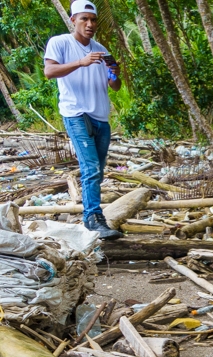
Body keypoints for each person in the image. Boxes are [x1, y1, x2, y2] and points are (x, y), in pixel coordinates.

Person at [43, 0, 122, 240]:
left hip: (101, 117)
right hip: (76, 113)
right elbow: (49, 72)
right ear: (73, 20)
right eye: (83, 19)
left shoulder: (102, 49)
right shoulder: (60, 42)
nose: (89, 24)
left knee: (97, 170)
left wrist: (115, 73)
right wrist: (81, 61)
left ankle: (94, 218)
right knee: (90, 168)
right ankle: (93, 218)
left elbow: (115, 86)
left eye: (93, 19)